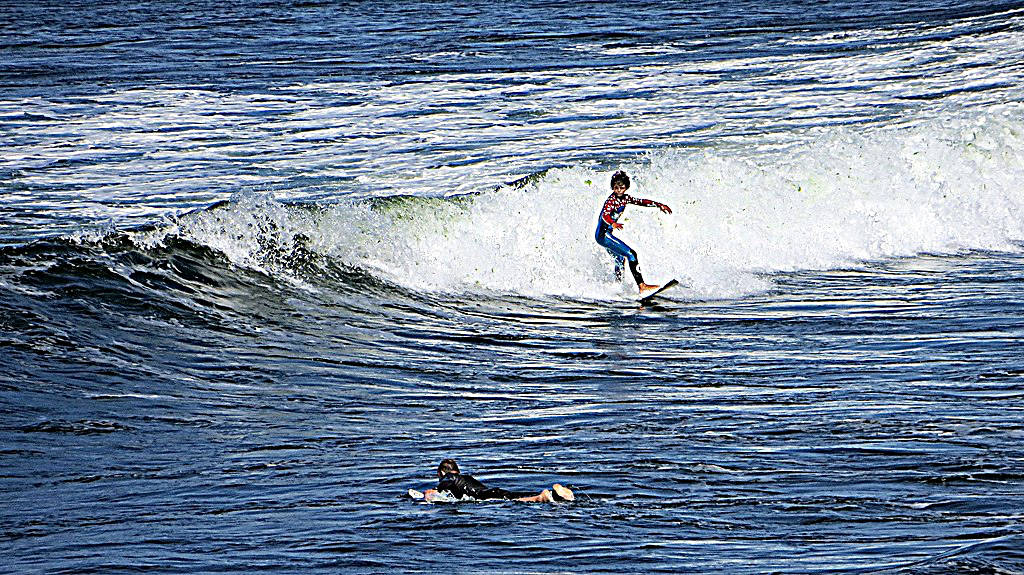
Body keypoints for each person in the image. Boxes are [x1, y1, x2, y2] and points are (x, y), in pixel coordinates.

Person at [595, 170, 672, 293]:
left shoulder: (625, 199)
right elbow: (605, 215)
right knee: (631, 254)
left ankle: (617, 287)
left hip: (607, 234)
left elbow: (641, 202)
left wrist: (658, 205)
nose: (619, 190)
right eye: (616, 188)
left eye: (621, 187)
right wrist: (612, 223)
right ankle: (642, 286)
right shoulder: (611, 201)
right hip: (603, 236)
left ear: (626, 188)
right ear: (612, 187)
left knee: (620, 258)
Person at [420, 458, 574, 503]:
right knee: (517, 496)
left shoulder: (448, 477)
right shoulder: (466, 477)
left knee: (522, 500)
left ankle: (543, 497)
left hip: (488, 496)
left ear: (440, 472)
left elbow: (434, 492)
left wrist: (427, 495)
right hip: (492, 490)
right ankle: (556, 495)